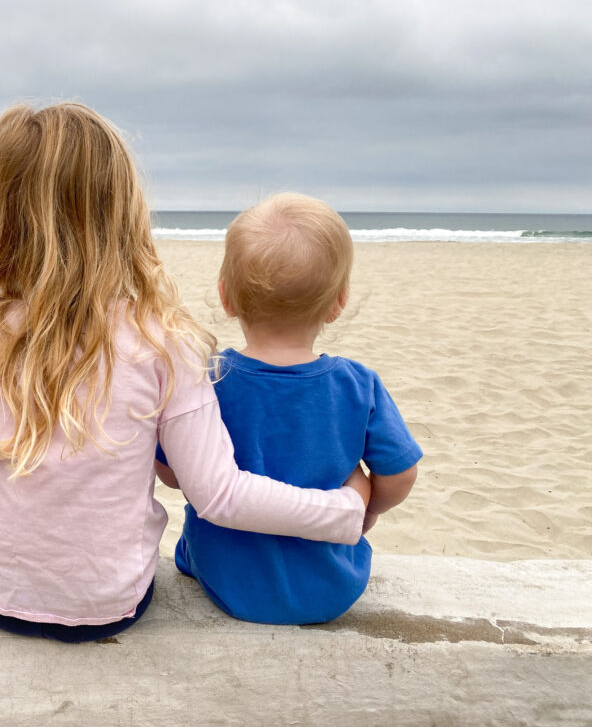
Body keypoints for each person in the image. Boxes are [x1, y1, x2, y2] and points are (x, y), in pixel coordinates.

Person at [0, 103, 369, 643]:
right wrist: (344, 510)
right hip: (114, 601)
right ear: (124, 211)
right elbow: (219, 495)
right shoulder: (162, 341)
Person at [163, 192, 421, 625]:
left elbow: (174, 475)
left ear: (226, 297)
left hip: (227, 580)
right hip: (333, 586)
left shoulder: (208, 380)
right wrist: (366, 509)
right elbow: (400, 474)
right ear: (339, 302)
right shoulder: (357, 385)